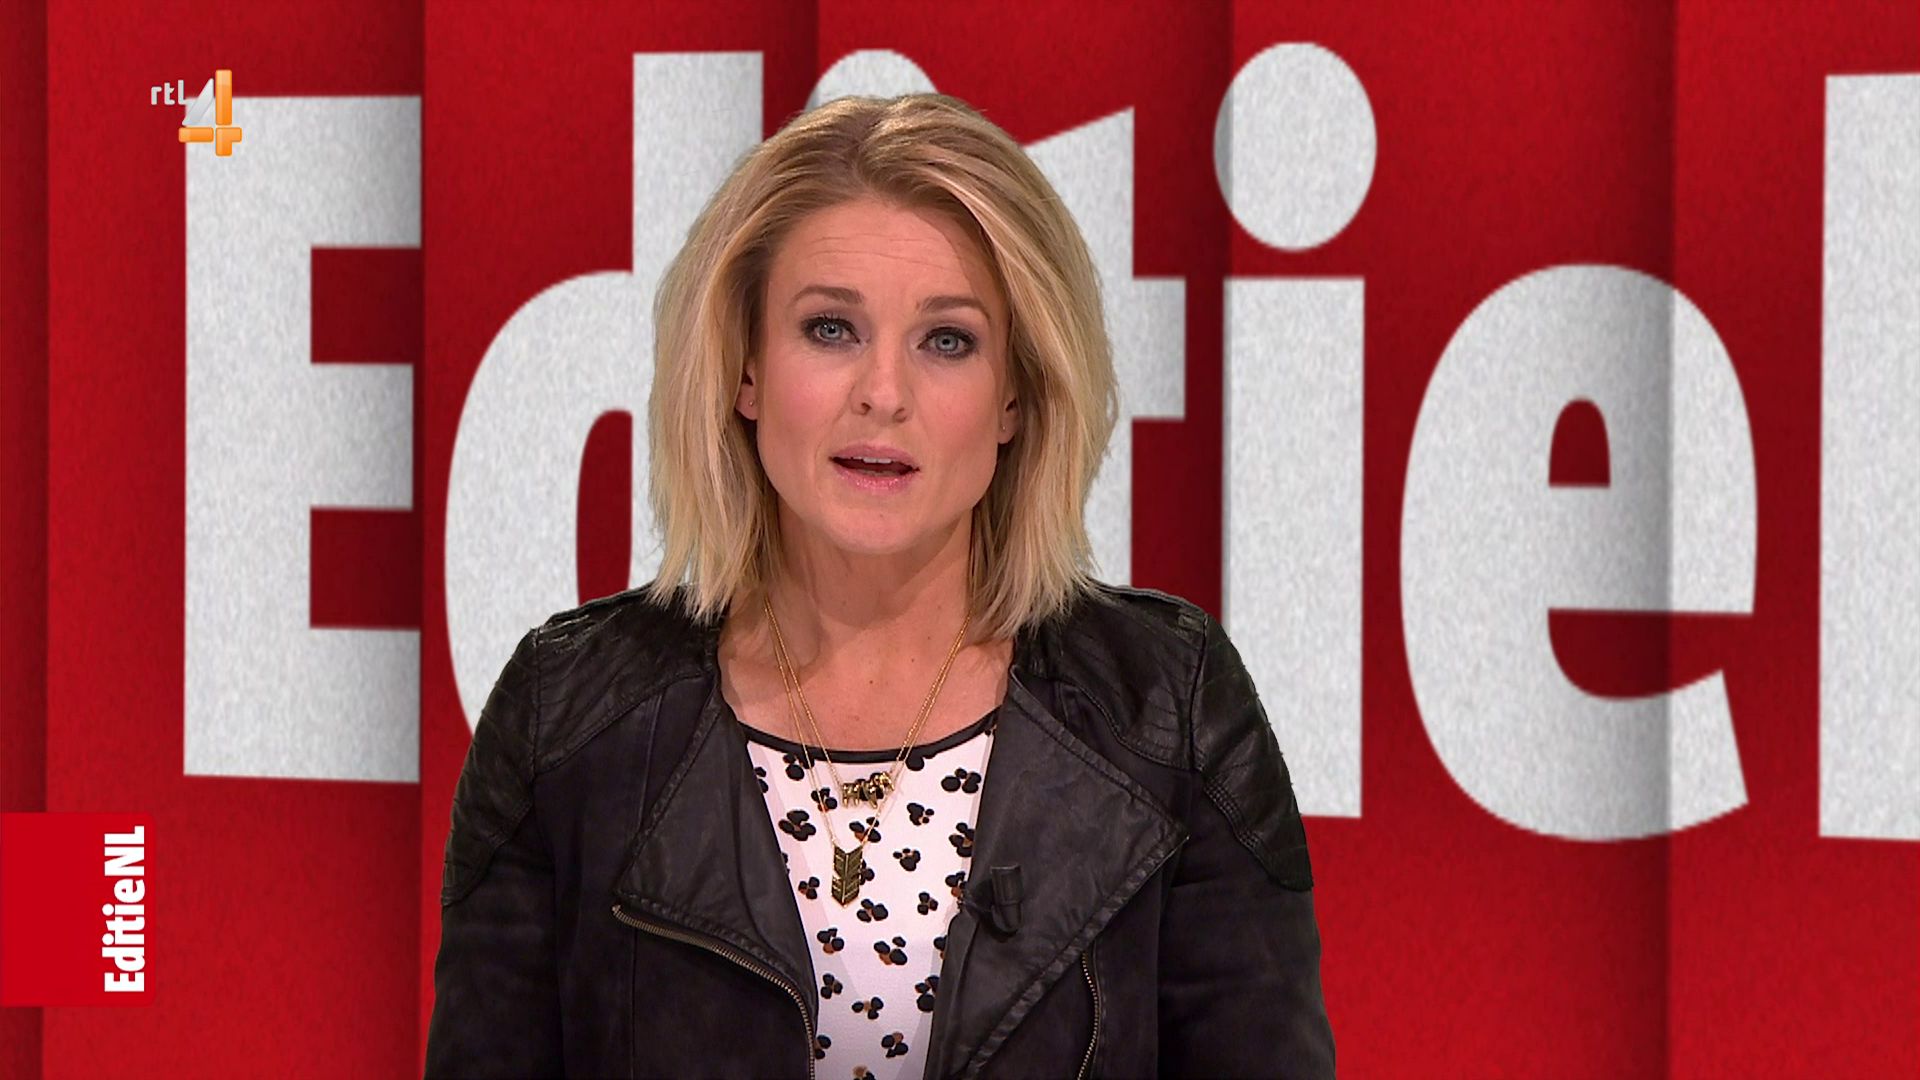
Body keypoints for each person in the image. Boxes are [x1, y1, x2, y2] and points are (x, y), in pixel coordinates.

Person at [425, 91, 1333, 1079]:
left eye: (948, 341)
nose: (884, 394)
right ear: (745, 370)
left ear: (1015, 395)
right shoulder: (567, 717)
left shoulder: (1169, 708)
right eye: (830, 329)